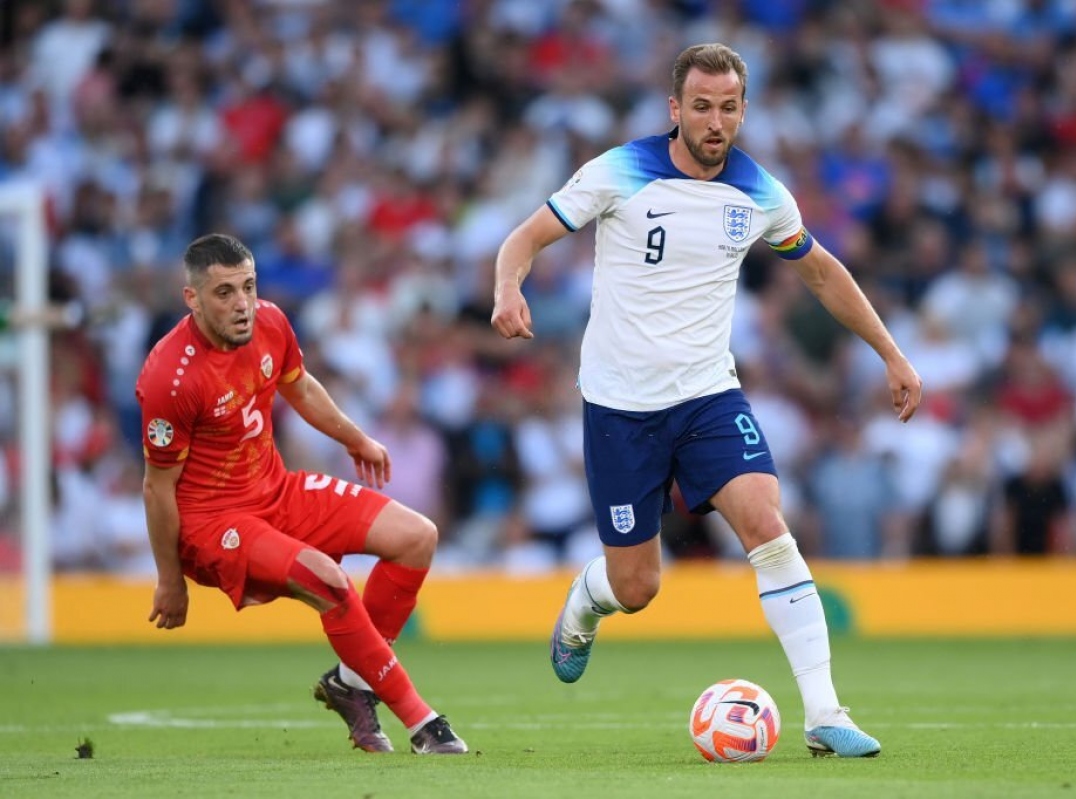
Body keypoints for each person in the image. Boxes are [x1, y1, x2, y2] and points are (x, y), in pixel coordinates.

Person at [491, 43, 922, 758]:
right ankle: (583, 604)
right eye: (701, 107)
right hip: (620, 408)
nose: (714, 121)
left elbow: (820, 271)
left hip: (707, 396)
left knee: (766, 522)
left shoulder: (759, 192)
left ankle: (824, 710)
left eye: (728, 108)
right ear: (675, 110)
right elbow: (525, 237)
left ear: (743, 111)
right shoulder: (619, 171)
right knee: (636, 586)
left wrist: (891, 351)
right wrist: (509, 287)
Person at [136, 233, 467, 756]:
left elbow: (300, 385)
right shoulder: (170, 378)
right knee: (328, 580)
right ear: (192, 298)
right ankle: (422, 723)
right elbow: (157, 490)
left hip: (276, 490)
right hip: (213, 522)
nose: (242, 303)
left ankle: (350, 686)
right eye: (224, 293)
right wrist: (169, 579)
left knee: (416, 537)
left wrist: (355, 438)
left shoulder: (270, 321)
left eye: (247, 286)